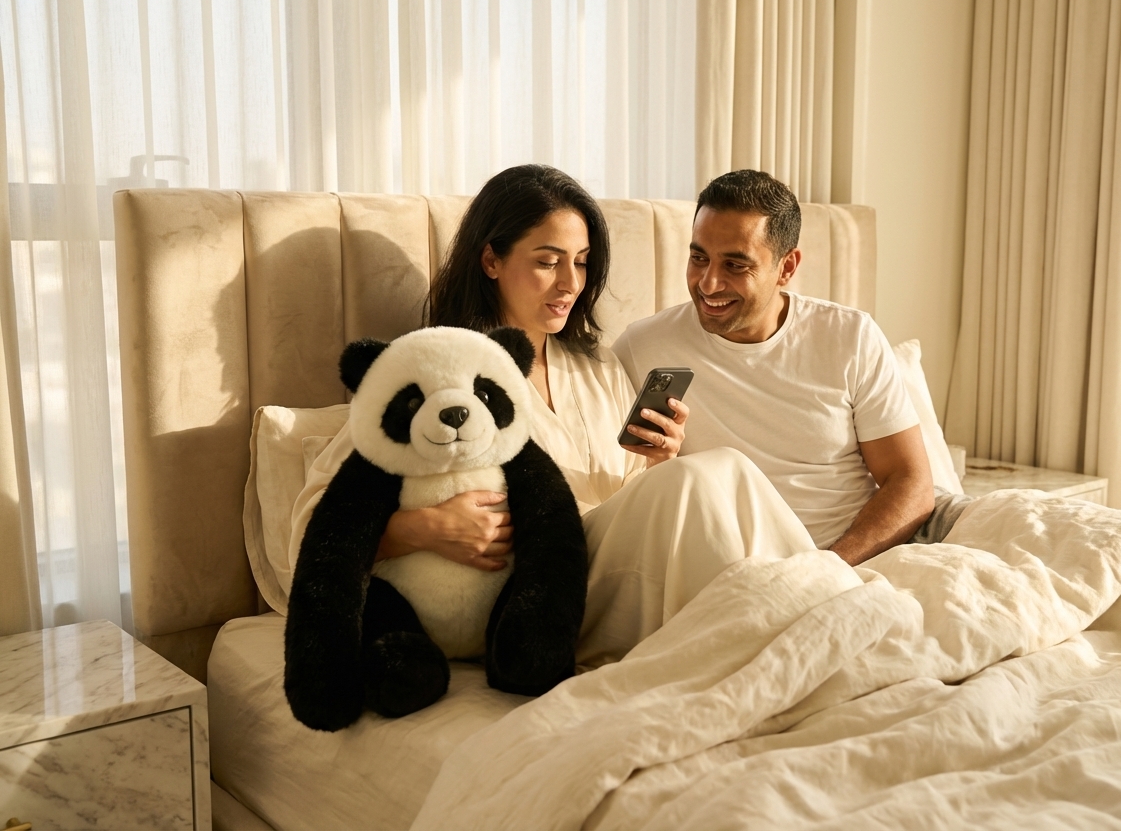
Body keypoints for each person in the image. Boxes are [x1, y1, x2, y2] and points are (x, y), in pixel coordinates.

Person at [288, 165, 823, 668]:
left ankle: (814, 606)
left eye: (582, 261)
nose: (571, 282)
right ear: (492, 259)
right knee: (710, 475)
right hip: (532, 599)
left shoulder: (596, 366)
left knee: (722, 470)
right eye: (548, 261)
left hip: (615, 573)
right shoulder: (435, 370)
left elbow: (636, 502)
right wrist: (421, 529)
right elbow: (316, 524)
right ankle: (811, 620)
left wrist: (659, 462)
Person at [614, 169, 965, 568]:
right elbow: (616, 486)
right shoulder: (643, 347)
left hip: (861, 553)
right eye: (698, 258)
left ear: (787, 267)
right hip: (740, 566)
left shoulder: (849, 337)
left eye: (735, 265)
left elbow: (912, 485)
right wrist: (662, 461)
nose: (708, 284)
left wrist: (827, 569)